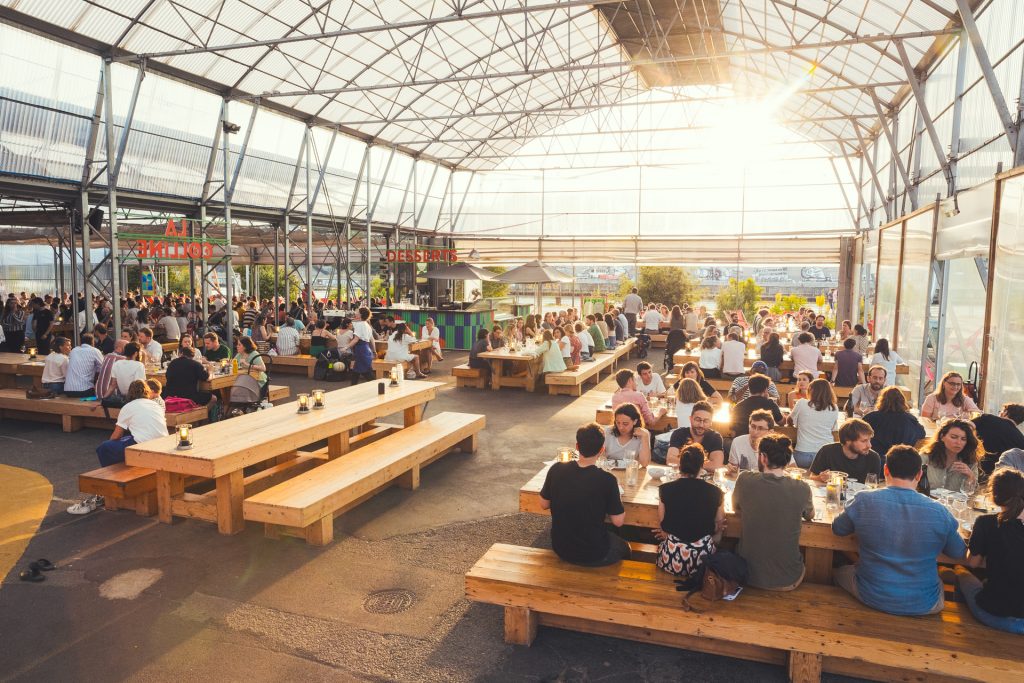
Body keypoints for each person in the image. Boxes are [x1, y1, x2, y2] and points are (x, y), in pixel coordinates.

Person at [832, 445, 966, 615]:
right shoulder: (940, 511)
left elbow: (838, 529)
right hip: (925, 603)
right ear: (919, 474)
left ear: (886, 469)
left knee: (837, 572)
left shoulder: (864, 500)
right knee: (940, 581)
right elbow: (958, 552)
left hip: (871, 594)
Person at [539, 422, 629, 566]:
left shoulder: (556, 469)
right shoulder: (608, 480)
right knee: (625, 547)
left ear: (577, 446)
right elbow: (618, 522)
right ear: (602, 449)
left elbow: (544, 504)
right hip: (593, 553)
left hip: (560, 547)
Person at [733, 434, 814, 591]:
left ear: (763, 457)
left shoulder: (744, 479)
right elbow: (810, 515)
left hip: (747, 575)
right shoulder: (802, 488)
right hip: (789, 579)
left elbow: (736, 508)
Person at [951, 468, 1024, 633]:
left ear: (993, 496)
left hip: (996, 616)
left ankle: (963, 630)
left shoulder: (987, 523)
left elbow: (974, 562)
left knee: (960, 572)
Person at [655, 443, 725, 578]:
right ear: (702, 465)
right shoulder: (716, 492)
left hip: (671, 559)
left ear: (680, 465)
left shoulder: (665, 489)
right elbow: (718, 531)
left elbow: (663, 526)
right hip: (702, 562)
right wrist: (715, 530)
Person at [95, 380, 167, 465]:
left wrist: (111, 444)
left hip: (144, 444)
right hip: (162, 442)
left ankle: (112, 473)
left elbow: (116, 435)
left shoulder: (128, 407)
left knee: (104, 447)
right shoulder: (156, 405)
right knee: (128, 438)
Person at [863, 386, 926, 464]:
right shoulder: (910, 420)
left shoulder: (870, 418)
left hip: (875, 462)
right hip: (902, 463)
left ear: (881, 401)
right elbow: (922, 433)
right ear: (903, 401)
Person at [808, 419, 881, 484]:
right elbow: (812, 477)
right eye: (864, 441)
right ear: (848, 440)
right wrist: (820, 478)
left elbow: (873, 486)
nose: (869, 445)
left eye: (869, 440)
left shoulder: (873, 458)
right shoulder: (827, 451)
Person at [919, 419, 981, 494]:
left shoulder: (970, 462)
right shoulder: (925, 458)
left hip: (954, 505)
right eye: (953, 437)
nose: (958, 442)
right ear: (942, 437)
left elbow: (971, 494)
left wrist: (971, 477)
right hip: (927, 503)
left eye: (963, 439)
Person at [790, 378, 839, 468]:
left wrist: (794, 423)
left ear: (810, 391)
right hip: (825, 455)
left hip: (803, 454)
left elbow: (789, 420)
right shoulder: (834, 407)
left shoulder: (801, 403)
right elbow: (834, 429)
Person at [666, 401, 724, 469]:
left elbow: (716, 465)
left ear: (711, 422)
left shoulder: (715, 437)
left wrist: (686, 464)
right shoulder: (678, 433)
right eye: (698, 420)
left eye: (705, 421)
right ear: (690, 419)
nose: (701, 425)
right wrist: (703, 465)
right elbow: (670, 460)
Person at [64, 333, 104, 397]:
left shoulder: (74, 350)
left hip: (68, 390)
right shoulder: (95, 351)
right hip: (84, 390)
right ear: (92, 342)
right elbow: (104, 367)